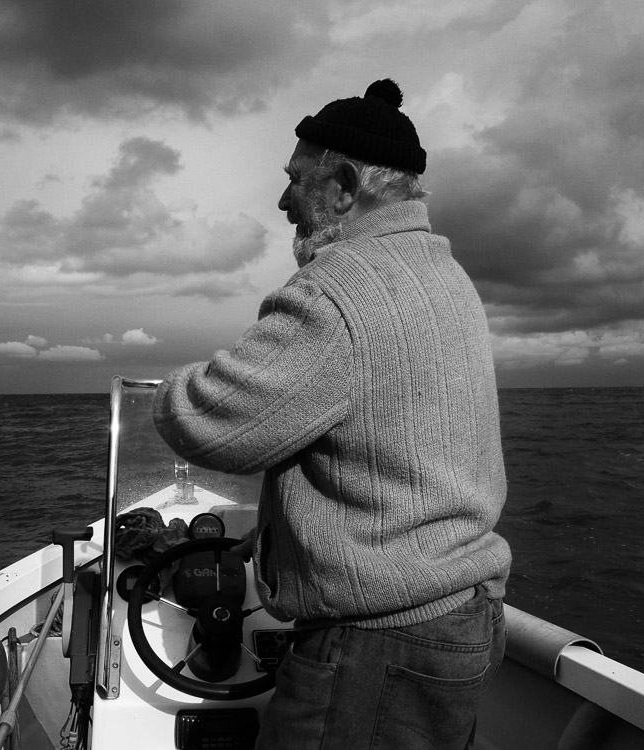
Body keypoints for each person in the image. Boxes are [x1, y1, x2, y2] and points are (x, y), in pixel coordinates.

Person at [152, 78, 511, 750]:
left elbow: (210, 419)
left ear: (344, 187)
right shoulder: (448, 279)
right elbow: (389, 452)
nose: (283, 200)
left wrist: (166, 389)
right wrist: (276, 538)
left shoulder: (338, 290)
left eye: (296, 179)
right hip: (462, 622)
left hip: (378, 648)